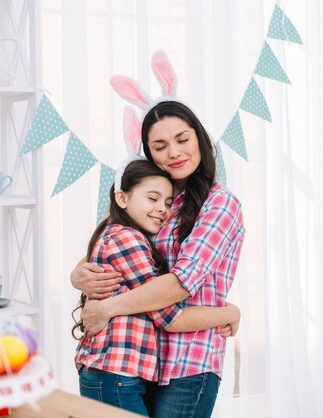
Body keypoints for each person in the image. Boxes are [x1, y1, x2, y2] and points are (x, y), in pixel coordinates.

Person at [72, 50, 245, 418]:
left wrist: (107, 307)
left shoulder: (220, 204)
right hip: (144, 360)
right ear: (147, 151)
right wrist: (78, 274)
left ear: (199, 137)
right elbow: (114, 250)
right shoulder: (157, 203)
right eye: (160, 146)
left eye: (182, 139)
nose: (175, 153)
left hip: (190, 361)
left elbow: (181, 284)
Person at [73, 158, 240, 417]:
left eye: (167, 203)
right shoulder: (128, 238)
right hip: (115, 372)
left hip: (118, 372)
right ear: (122, 198)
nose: (162, 209)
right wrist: (229, 313)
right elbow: (168, 316)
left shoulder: (121, 233)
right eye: (152, 199)